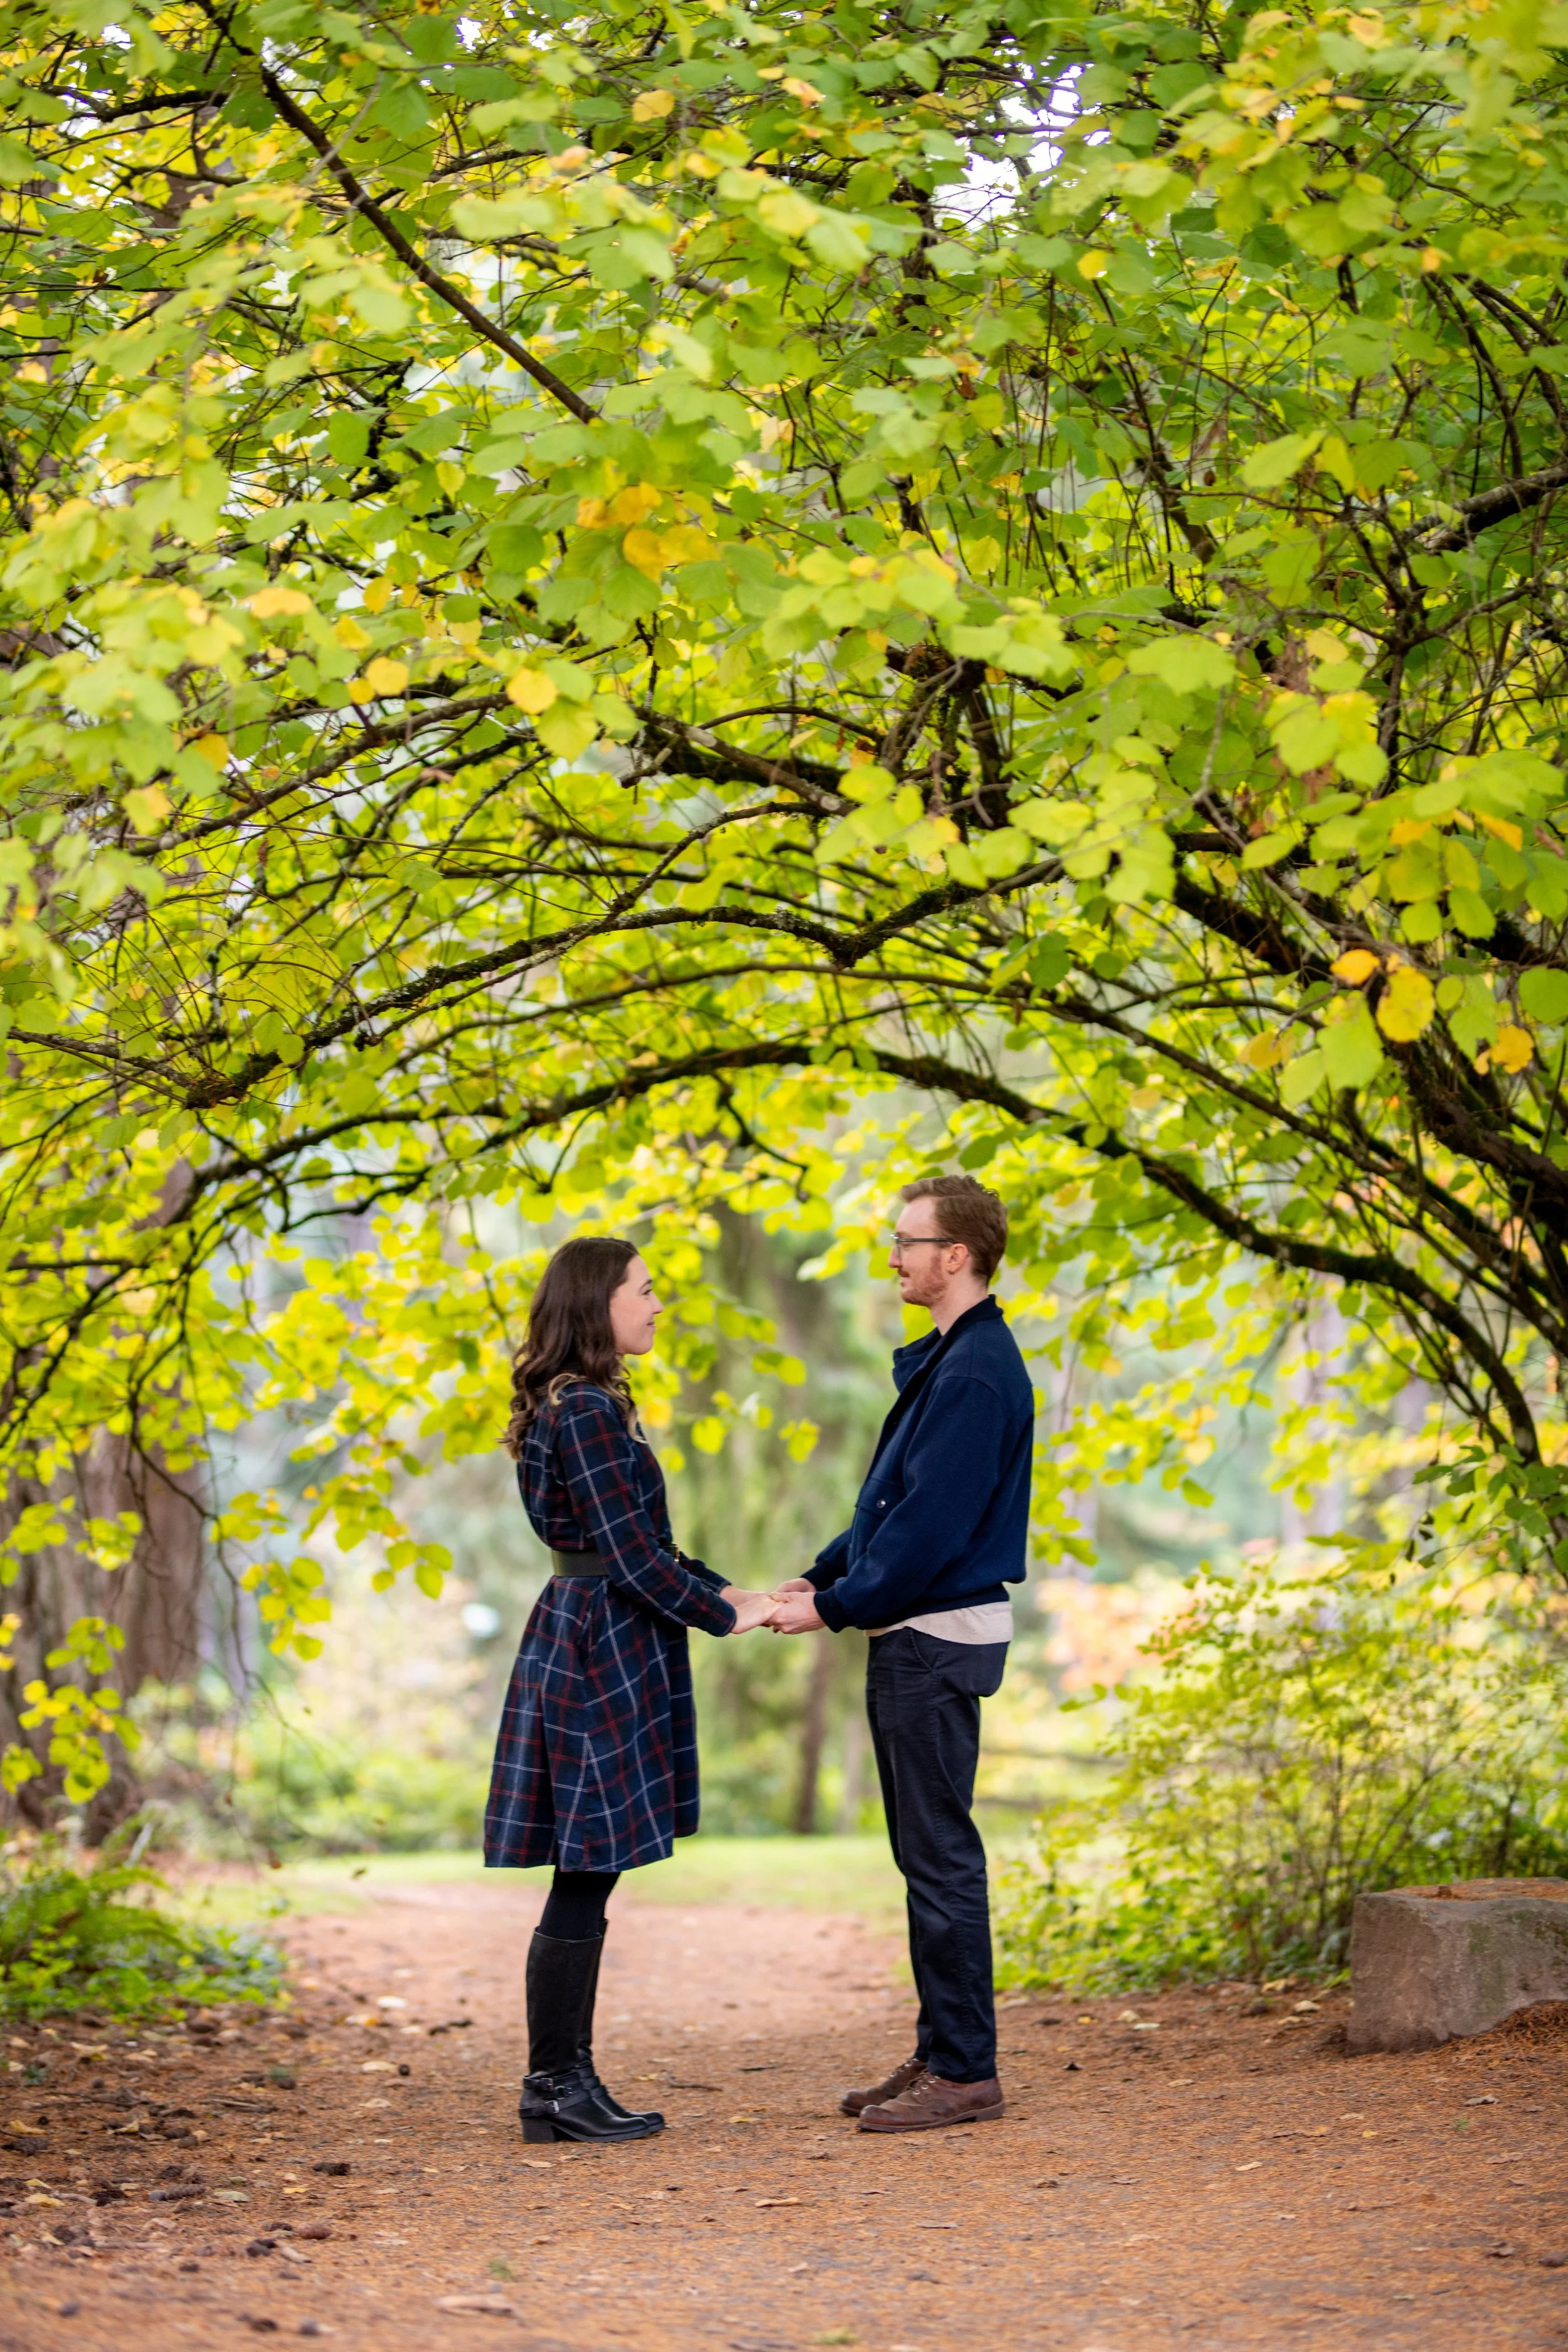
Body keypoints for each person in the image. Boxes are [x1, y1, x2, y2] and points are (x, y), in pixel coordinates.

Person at [486, 1236, 776, 2144]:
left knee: (590, 1867)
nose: (656, 1305)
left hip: (598, 1628)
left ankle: (561, 2081)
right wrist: (731, 1612)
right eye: (644, 1291)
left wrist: (739, 1594)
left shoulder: (589, 1404)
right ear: (596, 1303)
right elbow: (635, 1558)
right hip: (599, 1642)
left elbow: (647, 1547)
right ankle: (554, 2084)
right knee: (585, 1868)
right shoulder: (586, 1413)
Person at [770, 1174, 1034, 2132]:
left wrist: (836, 1606)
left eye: (906, 1239)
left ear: (954, 1255)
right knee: (925, 1854)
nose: (894, 1254)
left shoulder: (973, 1370)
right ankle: (942, 2050)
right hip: (916, 1634)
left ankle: (967, 2072)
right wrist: (819, 1577)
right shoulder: (954, 1358)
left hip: (932, 1638)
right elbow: (888, 1501)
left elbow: (927, 1529)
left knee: (939, 1858)